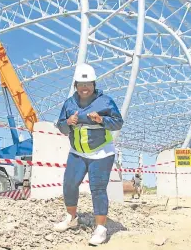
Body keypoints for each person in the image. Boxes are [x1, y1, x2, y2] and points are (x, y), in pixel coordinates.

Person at [54, 63, 124, 245]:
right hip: (77, 152)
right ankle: (71, 218)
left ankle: (101, 228)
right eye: (81, 84)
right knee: (69, 184)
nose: (84, 88)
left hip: (101, 152)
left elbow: (118, 123)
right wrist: (68, 122)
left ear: (94, 85)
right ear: (75, 85)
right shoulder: (69, 103)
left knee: (98, 188)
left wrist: (101, 120)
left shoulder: (105, 101)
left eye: (88, 84)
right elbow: (61, 126)